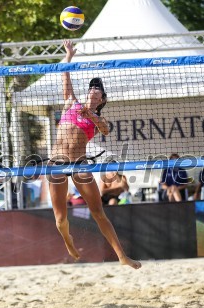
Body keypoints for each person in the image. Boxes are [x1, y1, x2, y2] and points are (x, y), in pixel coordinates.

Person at [46, 39, 141, 269]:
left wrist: (92, 115)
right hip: (56, 163)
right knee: (60, 220)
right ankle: (68, 241)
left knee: (98, 212)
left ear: (102, 101)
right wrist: (68, 56)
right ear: (88, 93)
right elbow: (64, 76)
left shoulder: (97, 118)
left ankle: (122, 256)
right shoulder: (71, 103)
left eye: (98, 95)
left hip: (79, 165)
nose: (94, 94)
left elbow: (106, 130)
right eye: (92, 91)